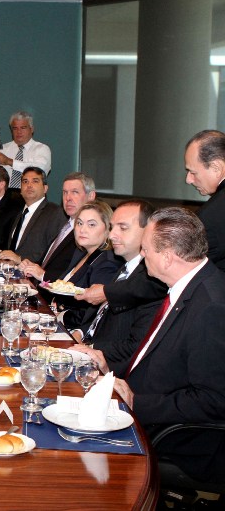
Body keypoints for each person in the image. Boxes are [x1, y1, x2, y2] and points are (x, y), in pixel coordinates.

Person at [110, 207, 225, 483]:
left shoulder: (211, 306)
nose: (142, 254)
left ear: (168, 257)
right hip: (144, 409)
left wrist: (136, 402)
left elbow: (213, 400)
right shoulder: (187, 285)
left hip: (175, 437)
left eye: (146, 249)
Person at [70, 200, 167, 374]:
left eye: (123, 228)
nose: (112, 235)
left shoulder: (152, 279)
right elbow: (101, 318)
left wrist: (89, 348)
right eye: (112, 227)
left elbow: (135, 345)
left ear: (148, 231)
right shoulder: (126, 267)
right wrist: (80, 333)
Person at [50, 201, 123, 330]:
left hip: (72, 331)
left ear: (108, 230)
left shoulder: (107, 263)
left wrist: (59, 316)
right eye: (79, 223)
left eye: (91, 225)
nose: (82, 230)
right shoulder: (81, 254)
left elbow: (90, 314)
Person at [19, 172, 97, 283]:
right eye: (65, 192)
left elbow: (75, 279)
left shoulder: (88, 234)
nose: (68, 198)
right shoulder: (65, 225)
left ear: (91, 196)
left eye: (75, 192)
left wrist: (43, 275)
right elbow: (50, 264)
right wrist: (31, 267)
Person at [0, 167, 66, 264]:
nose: (29, 185)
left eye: (35, 181)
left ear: (45, 188)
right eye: (25, 181)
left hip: (33, 272)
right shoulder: (18, 213)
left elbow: (54, 255)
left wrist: (20, 260)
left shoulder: (55, 213)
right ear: (20, 189)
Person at [183, 129, 225, 270]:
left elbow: (186, 269)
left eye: (193, 172)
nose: (188, 180)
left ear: (216, 168)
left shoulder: (209, 217)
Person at [0, 111, 51, 189]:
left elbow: (39, 170)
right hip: (4, 195)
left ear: (32, 129)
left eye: (23, 128)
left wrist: (10, 162)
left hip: (30, 194)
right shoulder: (2, 149)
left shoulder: (42, 149)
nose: (19, 132)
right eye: (15, 128)